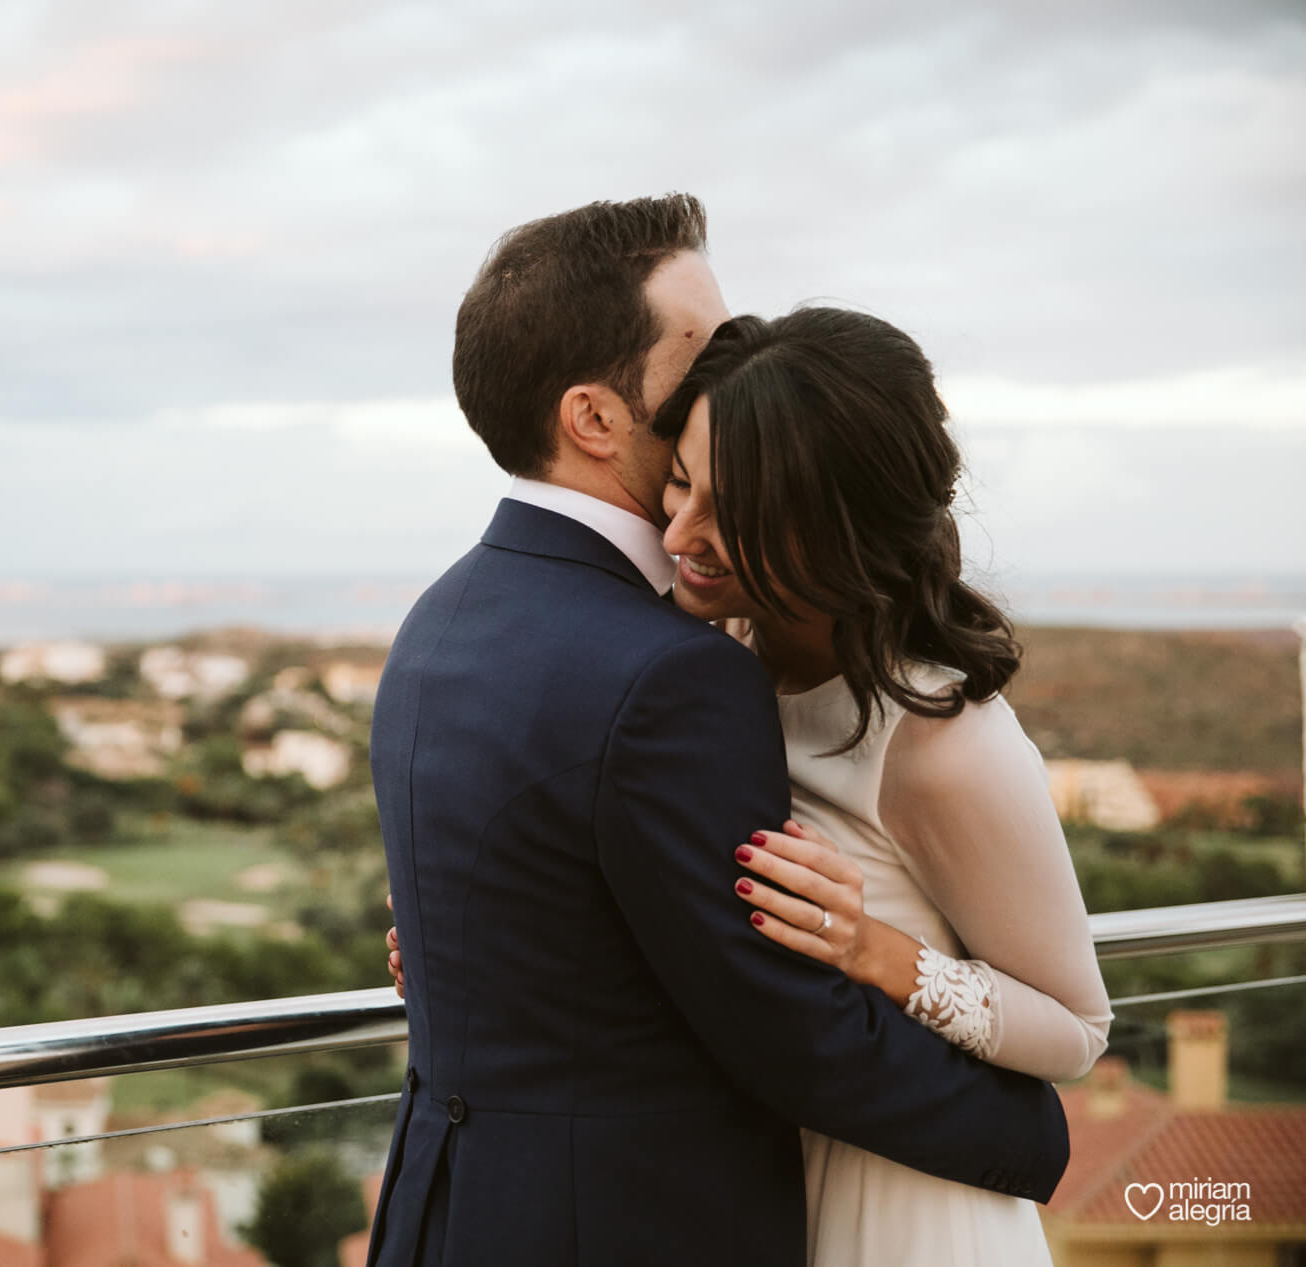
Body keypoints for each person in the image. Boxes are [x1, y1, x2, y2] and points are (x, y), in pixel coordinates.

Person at [364, 196, 1070, 1267]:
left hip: (453, 1209)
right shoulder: (673, 672)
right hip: (620, 1223)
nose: (732, 372)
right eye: (699, 355)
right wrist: (1029, 1136)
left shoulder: (440, 619)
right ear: (596, 418)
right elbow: (784, 1031)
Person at [657, 307, 1111, 1264]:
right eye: (680, 482)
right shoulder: (707, 655)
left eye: (730, 512)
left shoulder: (948, 746)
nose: (682, 532)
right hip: (750, 1189)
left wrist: (876, 950)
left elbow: (1077, 1027)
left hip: (904, 1209)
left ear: (837, 528)